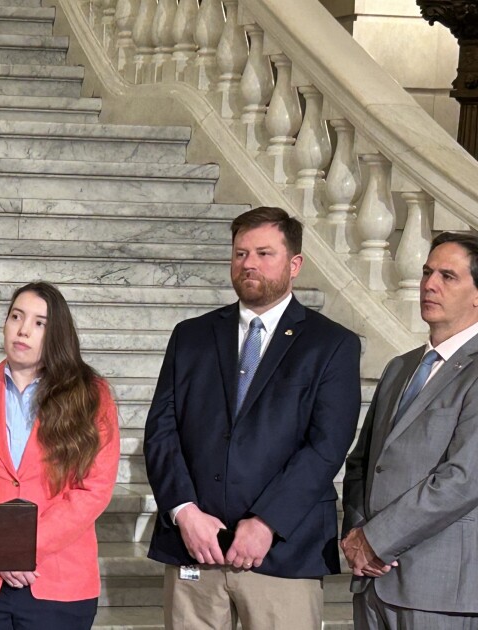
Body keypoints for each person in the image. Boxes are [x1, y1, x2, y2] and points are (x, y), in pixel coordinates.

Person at [143, 206, 362, 629]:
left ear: (294, 264)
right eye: (241, 253)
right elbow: (161, 431)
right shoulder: (190, 335)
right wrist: (184, 511)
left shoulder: (332, 344)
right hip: (195, 549)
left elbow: (327, 447)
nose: (249, 264)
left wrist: (266, 523)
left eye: (264, 253)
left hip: (281, 552)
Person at [0, 281, 121, 630]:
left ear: (57, 334)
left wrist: (21, 549)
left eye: (40, 323)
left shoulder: (91, 395)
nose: (23, 330)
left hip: (58, 580)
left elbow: (93, 490)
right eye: (16, 317)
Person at [342, 231, 478, 629]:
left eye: (447, 276)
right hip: (371, 583)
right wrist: (356, 536)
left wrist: (377, 540)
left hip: (439, 590)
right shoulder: (401, 366)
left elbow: (463, 479)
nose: (429, 284)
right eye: (426, 272)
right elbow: (363, 464)